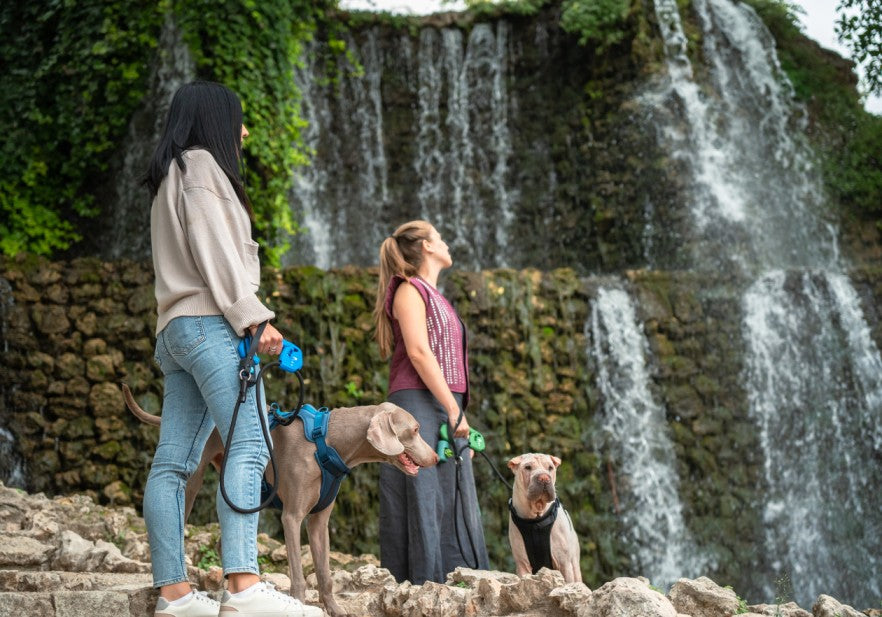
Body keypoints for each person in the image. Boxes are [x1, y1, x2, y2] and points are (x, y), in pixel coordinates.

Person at [143, 81, 322, 617]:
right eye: (238, 121)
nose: (244, 133)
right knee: (252, 445)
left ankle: (173, 596)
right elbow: (217, 252)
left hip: (175, 329)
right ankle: (244, 587)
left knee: (173, 464)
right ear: (215, 120)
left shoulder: (168, 173)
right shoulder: (201, 166)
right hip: (210, 324)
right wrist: (253, 320)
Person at [373, 220, 490, 584]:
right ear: (425, 246)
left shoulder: (434, 295)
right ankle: (423, 592)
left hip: (441, 403)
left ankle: (457, 590)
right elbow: (420, 353)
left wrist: (455, 411)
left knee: (451, 500)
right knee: (424, 498)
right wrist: (454, 411)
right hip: (417, 406)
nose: (446, 243)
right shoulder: (409, 290)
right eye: (440, 237)